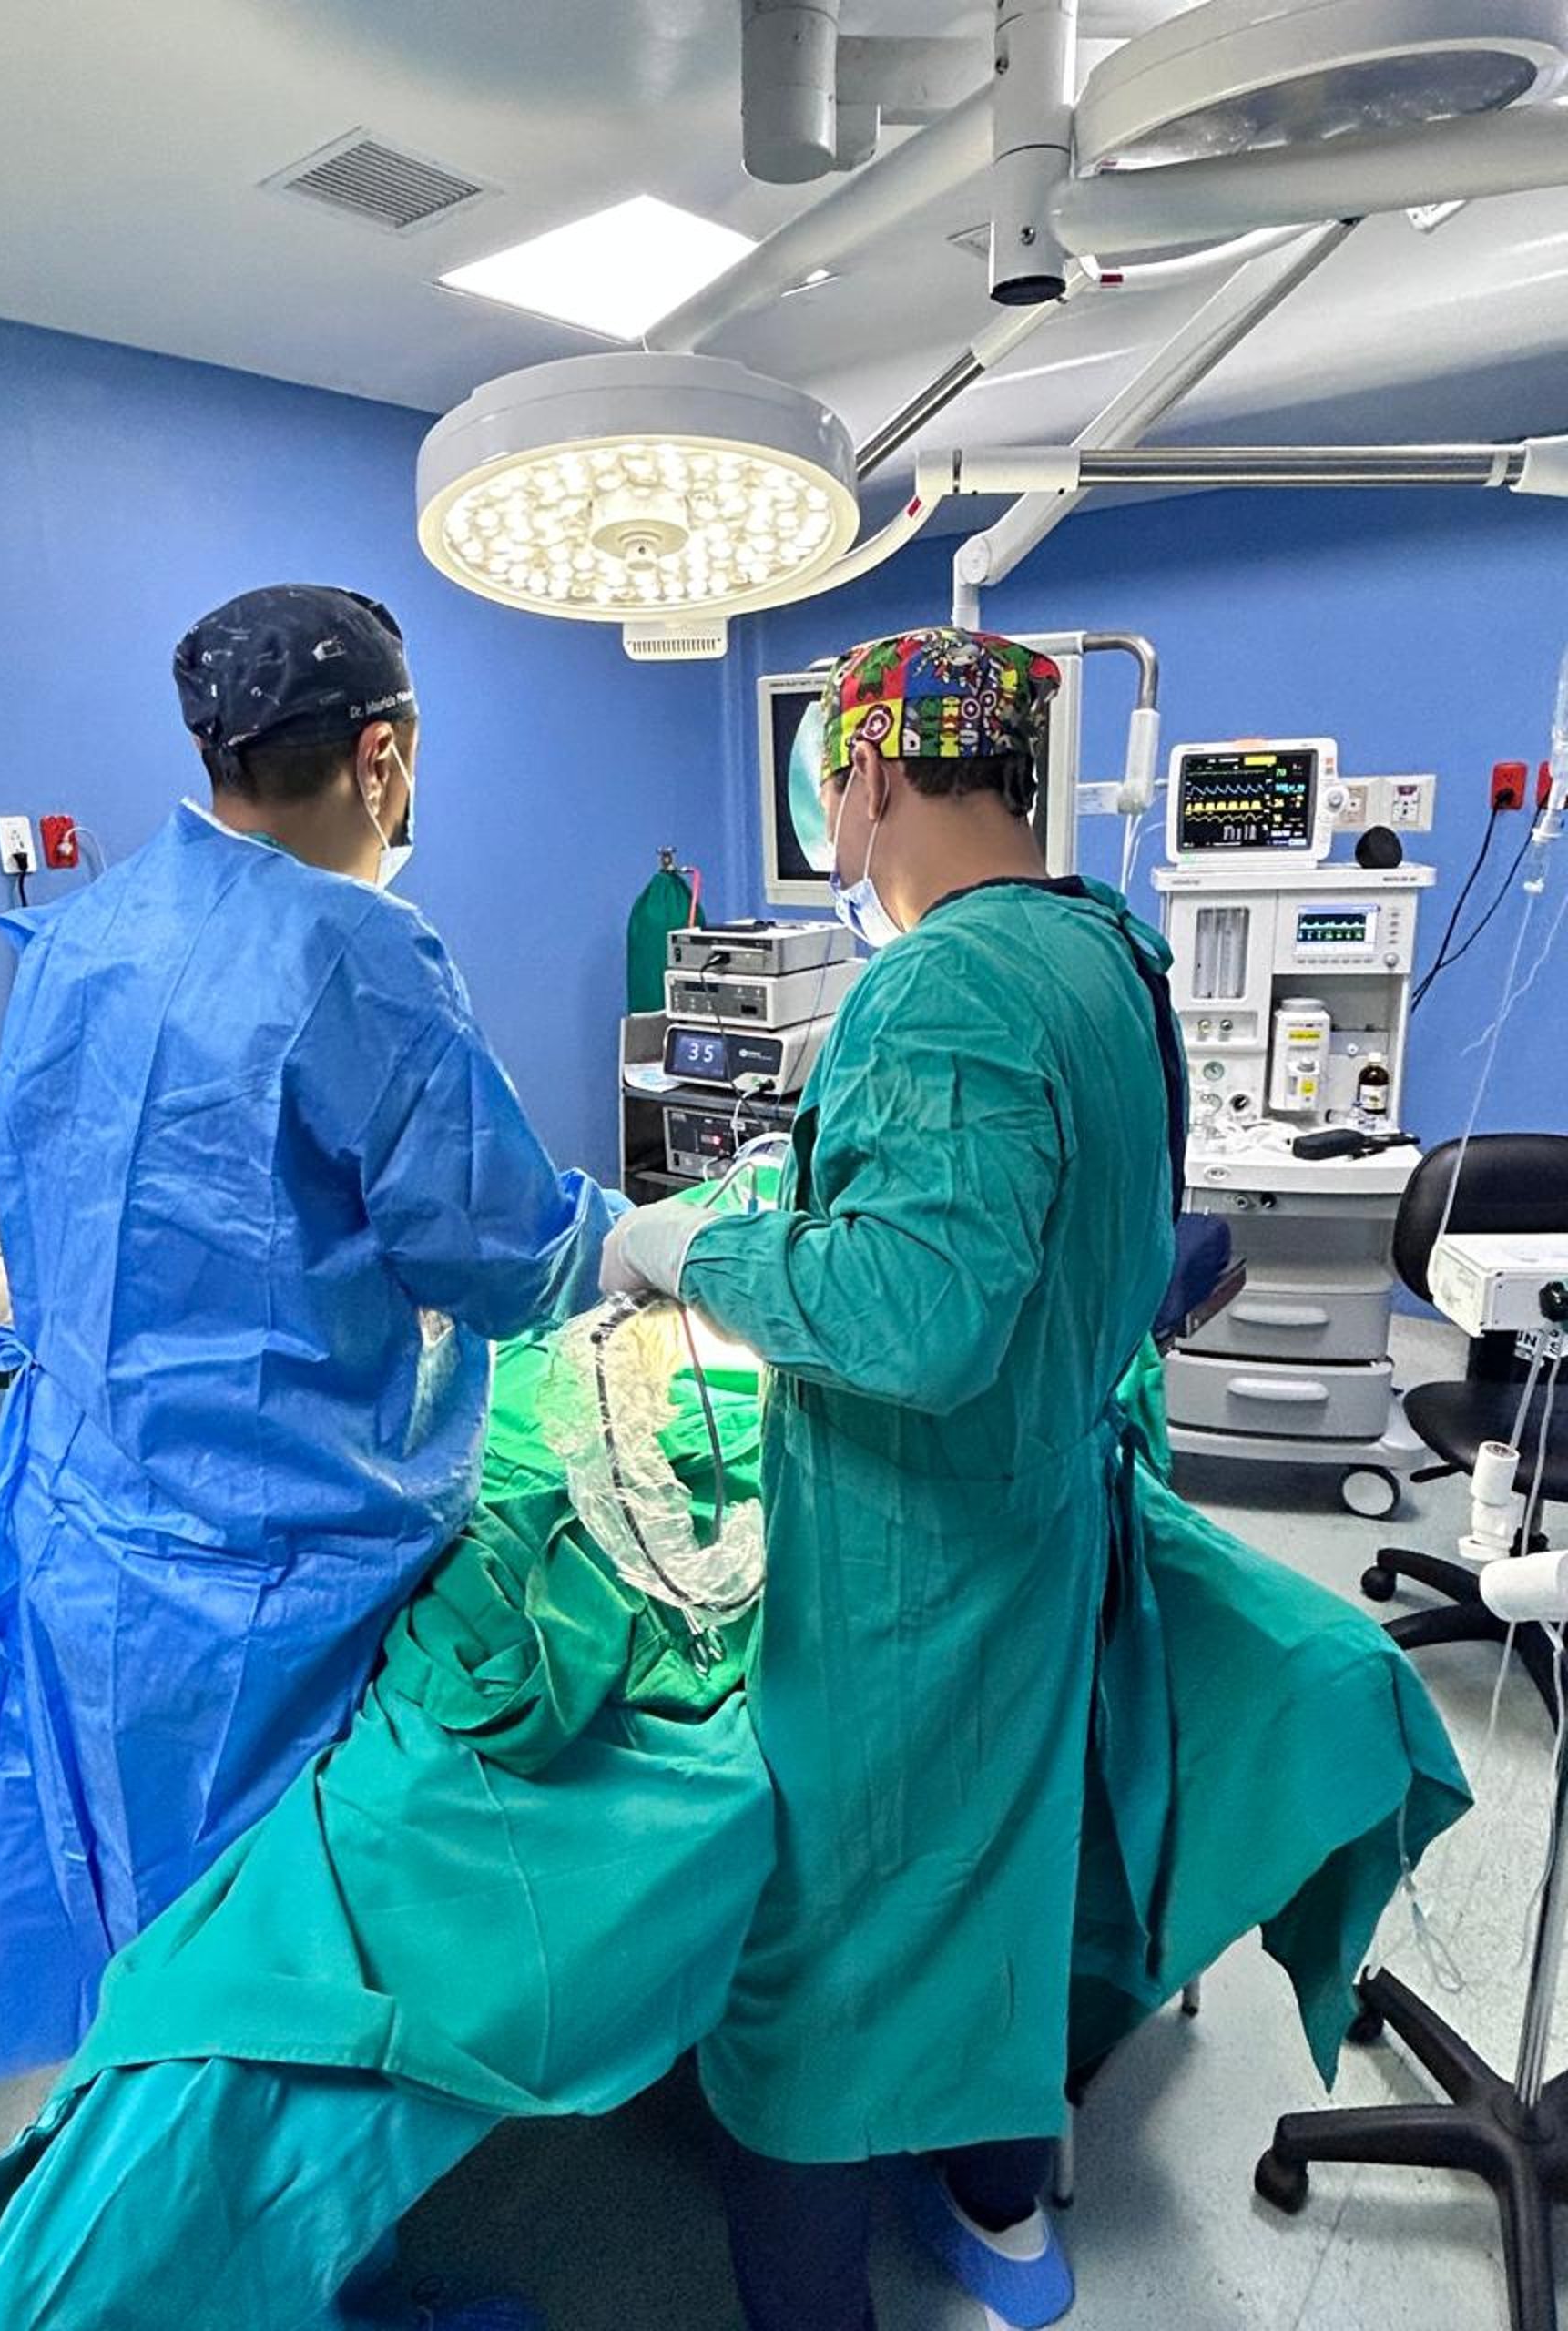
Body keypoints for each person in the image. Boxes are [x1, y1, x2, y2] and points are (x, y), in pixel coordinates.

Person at [0, 584, 616, 2085]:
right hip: (265, 1583)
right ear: (382, 756)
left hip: (76, 1529)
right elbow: (496, 1252)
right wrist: (633, 1243)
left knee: (133, 1942)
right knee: (257, 1992)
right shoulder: (353, 953)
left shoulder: (81, 930)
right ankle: (284, 2283)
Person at [603, 626, 1187, 2331]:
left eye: (831, 790)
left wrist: (691, 1253)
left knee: (811, 1958)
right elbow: (1050, 1206)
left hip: (908, 1574)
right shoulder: (1106, 951)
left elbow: (916, 1321)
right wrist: (797, 1181)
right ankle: (1004, 2224)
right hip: (1037, 1523)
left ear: (861, 778)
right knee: (1006, 1877)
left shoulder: (939, 983)